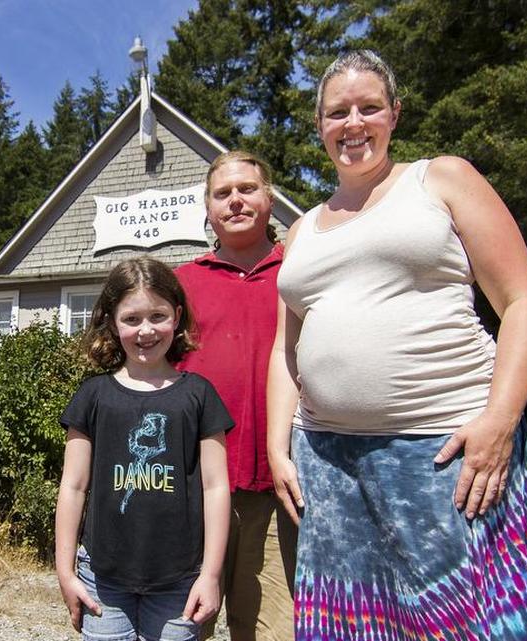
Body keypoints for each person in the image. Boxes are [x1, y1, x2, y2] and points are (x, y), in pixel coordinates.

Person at [267, 50, 527, 640]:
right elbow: (287, 352)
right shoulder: (302, 228)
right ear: (319, 125)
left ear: (395, 115)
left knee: (465, 624)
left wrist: (500, 420)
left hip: (446, 452)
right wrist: (281, 448)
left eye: (369, 108)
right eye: (337, 112)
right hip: (330, 464)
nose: (353, 124)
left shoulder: (442, 179)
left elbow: (522, 303)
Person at [55, 256, 234, 641]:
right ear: (112, 322)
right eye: (131, 319)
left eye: (158, 316)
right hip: (102, 578)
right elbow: (72, 486)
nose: (146, 330)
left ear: (178, 316)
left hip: (180, 579)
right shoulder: (93, 395)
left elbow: (216, 487)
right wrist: (65, 571)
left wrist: (211, 574)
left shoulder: (199, 395)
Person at [175, 150, 296, 641]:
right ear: (207, 208)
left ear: (269, 197)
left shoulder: (301, 270)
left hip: (279, 486)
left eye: (247, 189)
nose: (236, 200)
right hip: (195, 487)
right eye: (222, 193)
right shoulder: (181, 283)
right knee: (183, 624)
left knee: (271, 630)